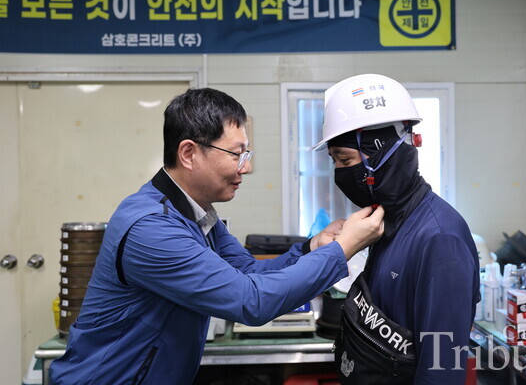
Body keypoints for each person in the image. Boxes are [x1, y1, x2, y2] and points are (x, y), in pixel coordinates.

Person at [49, 88, 385, 384]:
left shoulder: (197, 214)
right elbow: (251, 301)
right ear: (189, 154)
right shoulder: (150, 228)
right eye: (237, 154)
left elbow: (249, 273)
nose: (246, 168)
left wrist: (314, 248)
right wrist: (342, 250)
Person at [314, 74, 480, 384]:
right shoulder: (384, 224)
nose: (340, 173)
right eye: (335, 161)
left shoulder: (440, 240)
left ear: (380, 155)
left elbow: (441, 370)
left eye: (345, 159)